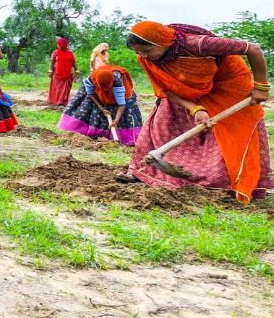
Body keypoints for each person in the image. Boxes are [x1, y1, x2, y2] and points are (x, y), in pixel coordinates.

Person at [118, 21, 270, 202]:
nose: (143, 56)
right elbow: (165, 89)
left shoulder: (198, 44)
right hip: (182, 90)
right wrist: (195, 108)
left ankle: (218, 184)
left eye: (147, 51)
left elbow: (253, 48)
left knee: (227, 133)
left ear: (163, 43)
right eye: (138, 52)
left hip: (226, 83)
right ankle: (143, 172)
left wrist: (261, 86)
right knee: (163, 121)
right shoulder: (146, 59)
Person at [58, 59, 144, 145]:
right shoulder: (92, 79)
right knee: (88, 103)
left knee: (124, 109)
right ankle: (91, 131)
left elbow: (121, 104)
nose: (105, 91)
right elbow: (90, 94)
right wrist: (102, 108)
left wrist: (116, 121)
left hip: (118, 90)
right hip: (95, 90)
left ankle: (118, 136)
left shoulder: (117, 80)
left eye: (107, 88)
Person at [47, 36, 79, 106]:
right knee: (57, 88)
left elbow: (74, 62)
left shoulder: (70, 53)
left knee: (66, 89)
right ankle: (56, 101)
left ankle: (63, 101)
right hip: (57, 74)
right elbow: (52, 62)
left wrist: (77, 70)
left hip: (68, 74)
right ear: (58, 45)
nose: (61, 45)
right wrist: (50, 70)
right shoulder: (55, 52)